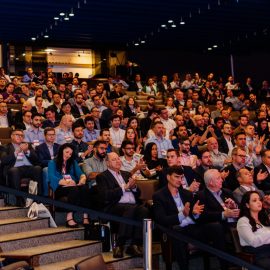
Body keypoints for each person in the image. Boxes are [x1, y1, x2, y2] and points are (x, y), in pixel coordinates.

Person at [153, 165, 226, 270]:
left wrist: (195, 213)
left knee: (216, 227)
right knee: (178, 232)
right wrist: (183, 214)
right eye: (176, 177)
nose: (180, 180)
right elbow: (161, 219)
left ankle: (223, 265)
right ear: (168, 177)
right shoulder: (159, 196)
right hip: (175, 229)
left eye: (181, 177)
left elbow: (194, 216)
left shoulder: (187, 193)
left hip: (192, 228)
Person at [96, 152, 148, 258]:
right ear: (107, 163)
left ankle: (134, 244)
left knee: (143, 210)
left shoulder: (126, 174)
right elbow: (105, 195)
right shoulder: (102, 176)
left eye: (118, 159)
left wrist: (133, 188)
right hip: (114, 206)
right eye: (114, 160)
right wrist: (124, 187)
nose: (118, 161)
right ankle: (120, 244)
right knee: (130, 209)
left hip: (132, 205)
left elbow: (138, 194)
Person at [48, 143, 90, 228]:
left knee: (85, 188)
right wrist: (66, 182)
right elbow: (51, 177)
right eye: (66, 152)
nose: (68, 155)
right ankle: (69, 217)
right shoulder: (52, 162)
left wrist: (82, 179)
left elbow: (80, 174)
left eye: (70, 154)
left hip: (73, 186)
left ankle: (85, 216)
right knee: (73, 189)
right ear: (61, 151)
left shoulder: (73, 162)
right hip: (60, 188)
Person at [0, 129, 42, 206]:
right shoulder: (5, 147)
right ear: (11, 136)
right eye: (17, 135)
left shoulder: (27, 145)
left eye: (22, 135)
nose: (20, 137)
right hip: (15, 168)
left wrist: (27, 151)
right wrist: (16, 152)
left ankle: (38, 198)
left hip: (28, 168)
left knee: (38, 168)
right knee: (14, 170)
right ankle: (19, 198)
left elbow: (37, 160)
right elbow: (4, 160)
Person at [237, 191, 270, 269]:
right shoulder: (243, 221)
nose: (259, 202)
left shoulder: (264, 219)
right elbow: (253, 242)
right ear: (247, 205)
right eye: (254, 200)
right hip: (257, 255)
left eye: (259, 199)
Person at [35, 127, 60, 196]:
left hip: (58, 166)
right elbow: (41, 161)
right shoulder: (39, 148)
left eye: (53, 134)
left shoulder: (59, 147)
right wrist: (52, 162)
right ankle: (47, 195)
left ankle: (59, 194)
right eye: (49, 135)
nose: (52, 136)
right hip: (47, 166)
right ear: (45, 136)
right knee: (46, 170)